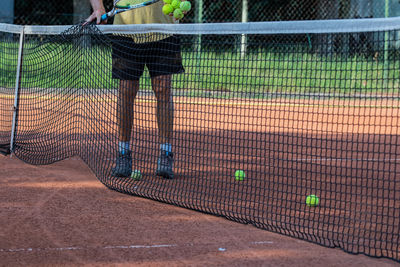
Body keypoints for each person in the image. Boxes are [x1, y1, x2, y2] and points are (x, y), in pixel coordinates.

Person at [86, 0, 185, 179]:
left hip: (164, 29)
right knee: (126, 89)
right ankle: (123, 153)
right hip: (126, 30)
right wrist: (98, 7)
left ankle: (166, 153)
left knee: (163, 88)